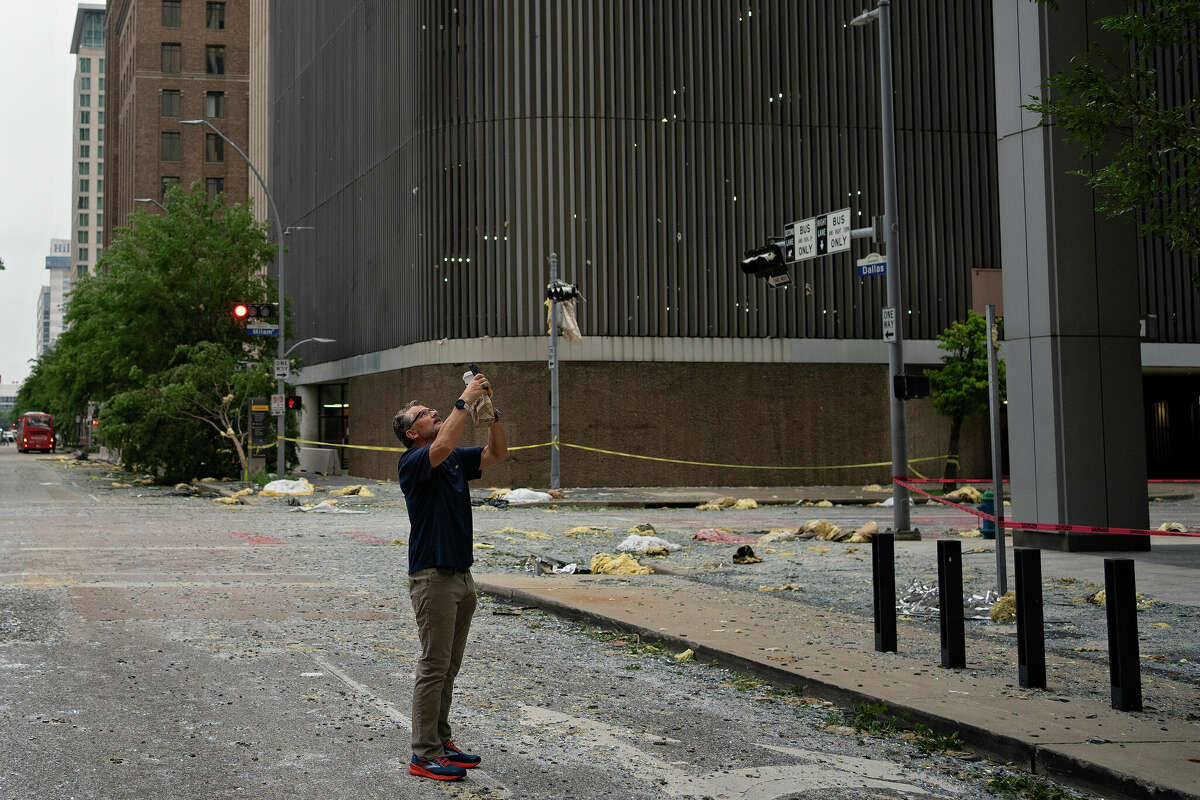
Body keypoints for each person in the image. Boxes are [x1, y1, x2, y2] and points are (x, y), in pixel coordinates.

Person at [392, 371, 508, 781]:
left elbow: (496, 456)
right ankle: (423, 754)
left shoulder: (455, 457)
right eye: (424, 414)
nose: (435, 412)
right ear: (412, 434)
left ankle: (442, 742)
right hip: (432, 576)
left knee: (449, 665)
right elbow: (441, 446)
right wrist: (464, 399)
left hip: (461, 575)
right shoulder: (413, 461)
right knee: (433, 665)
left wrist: (491, 415)